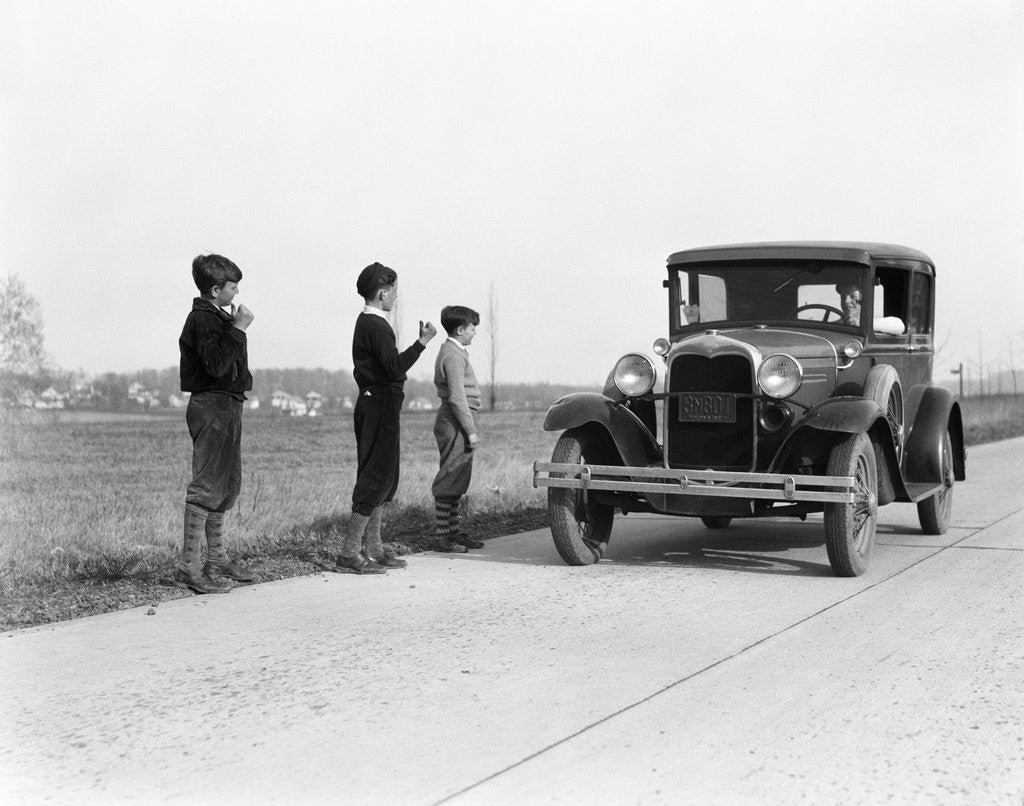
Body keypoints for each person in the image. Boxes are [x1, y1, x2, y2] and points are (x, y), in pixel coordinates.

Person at [334, 262, 437, 574]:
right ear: (382, 292)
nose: (395, 298)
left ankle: (374, 548)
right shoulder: (376, 325)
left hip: (379, 405)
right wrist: (421, 343)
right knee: (374, 478)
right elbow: (393, 367)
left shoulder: (370, 322)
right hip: (378, 405)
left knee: (383, 477)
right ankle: (349, 553)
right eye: (393, 292)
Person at [176, 254, 256, 594]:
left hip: (228, 403)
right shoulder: (202, 319)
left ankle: (217, 559)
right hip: (212, 404)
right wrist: (238, 328)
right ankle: (189, 568)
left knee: (226, 484)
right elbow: (215, 365)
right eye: (232, 286)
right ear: (214, 289)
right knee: (207, 485)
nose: (237, 292)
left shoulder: (216, 316)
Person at [431, 305, 485, 552]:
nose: (475, 332)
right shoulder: (453, 354)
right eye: (473, 327)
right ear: (460, 329)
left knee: (457, 476)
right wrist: (470, 430)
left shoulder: (456, 351)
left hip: (457, 420)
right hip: (454, 420)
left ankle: (452, 533)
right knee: (450, 476)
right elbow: (456, 397)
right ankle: (443, 538)